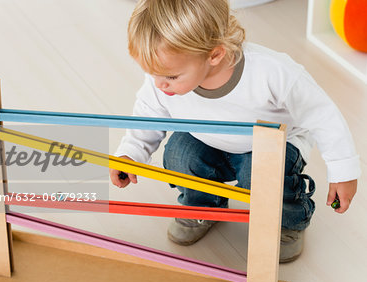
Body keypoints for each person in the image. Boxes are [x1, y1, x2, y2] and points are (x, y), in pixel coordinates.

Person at [110, 0, 360, 263]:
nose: (159, 84)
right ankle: (203, 205)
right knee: (180, 154)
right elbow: (148, 114)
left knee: (261, 170)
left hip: (270, 146)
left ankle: (288, 221)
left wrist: (343, 171)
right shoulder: (163, 79)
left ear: (214, 55)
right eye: (151, 74)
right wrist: (131, 152)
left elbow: (322, 115)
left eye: (171, 77)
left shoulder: (271, 72)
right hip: (207, 139)